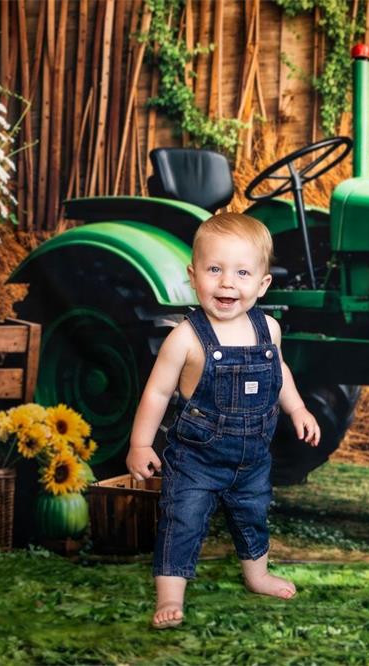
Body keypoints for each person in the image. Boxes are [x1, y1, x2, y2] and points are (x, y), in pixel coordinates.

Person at [126, 212, 321, 629]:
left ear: (263, 283)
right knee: (183, 519)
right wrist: (141, 444)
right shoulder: (186, 337)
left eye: (242, 272)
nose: (227, 282)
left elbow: (280, 372)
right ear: (193, 275)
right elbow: (157, 393)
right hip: (196, 460)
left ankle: (258, 575)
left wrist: (298, 408)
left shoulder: (268, 328)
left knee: (252, 515)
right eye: (215, 270)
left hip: (253, 458)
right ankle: (170, 595)